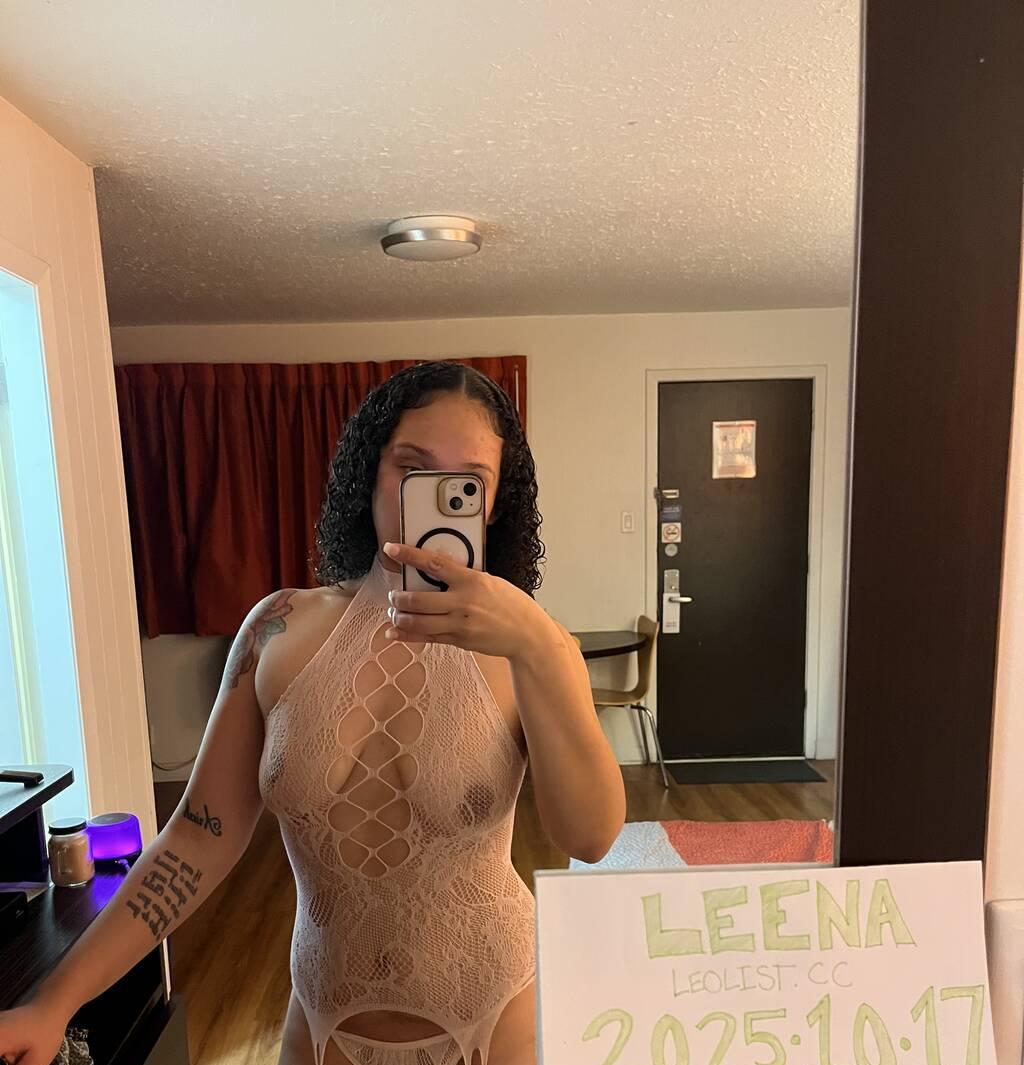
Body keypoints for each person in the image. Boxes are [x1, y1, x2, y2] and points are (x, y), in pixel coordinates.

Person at [0, 362, 626, 1065]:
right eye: (411, 467)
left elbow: (590, 837)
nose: (435, 497)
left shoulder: (532, 647)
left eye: (467, 482)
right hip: (322, 1025)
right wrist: (53, 1003)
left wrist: (540, 645)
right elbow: (197, 839)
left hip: (498, 1018)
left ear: (494, 505)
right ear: (370, 475)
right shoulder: (278, 628)